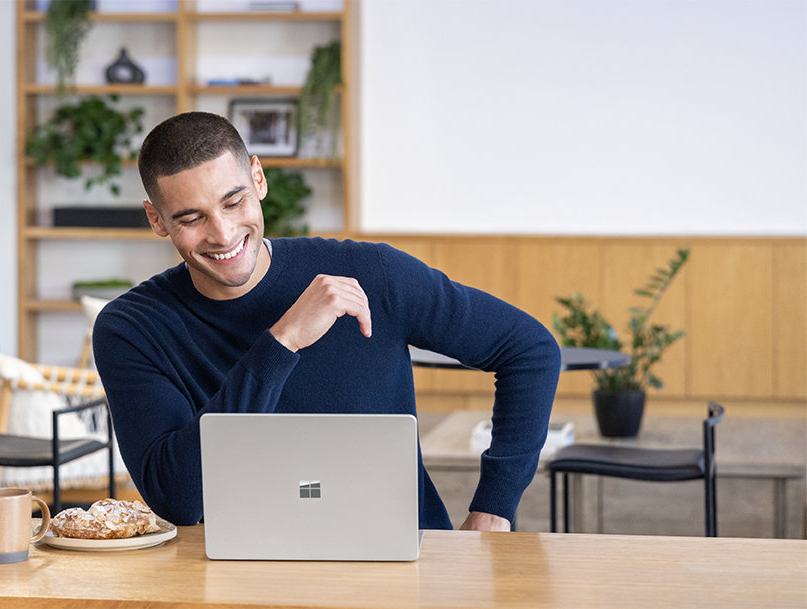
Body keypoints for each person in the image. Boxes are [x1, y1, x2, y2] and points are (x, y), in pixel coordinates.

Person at [93, 112, 561, 531]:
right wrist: (281, 341)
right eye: (192, 218)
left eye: (233, 202)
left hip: (404, 566)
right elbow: (178, 499)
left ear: (258, 178)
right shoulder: (132, 329)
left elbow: (529, 350)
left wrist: (493, 509)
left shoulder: (372, 274)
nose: (222, 233)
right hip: (243, 577)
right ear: (157, 220)